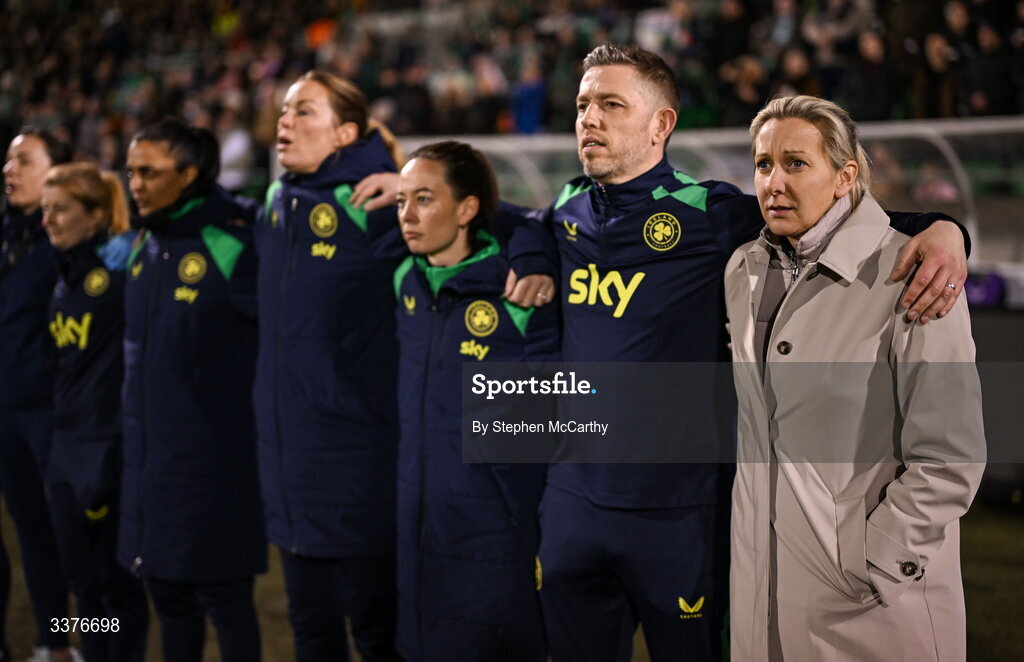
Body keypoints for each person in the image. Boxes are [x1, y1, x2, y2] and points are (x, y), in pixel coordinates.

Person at [499, 44, 971, 661]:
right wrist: (532, 253)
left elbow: (833, 211)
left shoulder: (712, 216)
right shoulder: (567, 207)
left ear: (660, 125)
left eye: (611, 104)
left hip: (678, 514)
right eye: (584, 104)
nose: (589, 117)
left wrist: (944, 228)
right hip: (572, 503)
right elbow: (518, 220)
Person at [257, 70, 553, 662]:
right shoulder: (281, 208)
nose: (284, 121)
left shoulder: (391, 222)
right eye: (284, 110)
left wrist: (532, 251)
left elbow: (521, 221)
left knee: (380, 630)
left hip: (395, 483)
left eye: (304, 111)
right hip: (317, 480)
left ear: (345, 132)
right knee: (317, 626)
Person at [724, 94, 985, 661]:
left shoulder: (914, 272)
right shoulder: (741, 269)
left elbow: (951, 454)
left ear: (844, 177)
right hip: (759, 595)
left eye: (796, 163)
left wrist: (876, 562)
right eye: (764, 164)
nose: (773, 181)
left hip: (871, 605)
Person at [392, 141, 559, 661]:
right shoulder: (405, 281)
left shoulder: (521, 291)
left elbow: (562, 412)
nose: (407, 215)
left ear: (467, 210)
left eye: (424, 199)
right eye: (401, 201)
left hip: (496, 532)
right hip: (418, 523)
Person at [120, 118, 264, 662]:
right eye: (131, 171)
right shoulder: (144, 243)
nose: (135, 183)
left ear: (190, 174)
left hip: (216, 468)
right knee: (169, 601)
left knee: (226, 603)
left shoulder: (231, 241)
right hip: (150, 467)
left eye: (149, 172)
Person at [41, 163, 149, 662]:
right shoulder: (62, 280)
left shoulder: (123, 271)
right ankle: (92, 650)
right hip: (65, 451)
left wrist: (135, 256)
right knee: (78, 581)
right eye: (45, 210)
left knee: (115, 583)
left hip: (108, 449)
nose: (49, 220)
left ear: (97, 215)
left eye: (61, 209)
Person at [1, 128, 82, 662]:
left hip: (58, 415)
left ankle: (92, 639)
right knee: (30, 535)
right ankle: (48, 644)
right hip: (6, 415)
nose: (9, 170)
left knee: (76, 544)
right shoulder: (5, 235)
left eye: (23, 161)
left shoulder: (78, 239)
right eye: (7, 161)